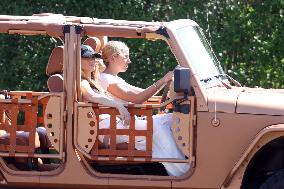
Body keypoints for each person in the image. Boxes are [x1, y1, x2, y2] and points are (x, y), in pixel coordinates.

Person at [80, 44, 189, 176]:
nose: (93, 61)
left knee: (169, 119)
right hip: (108, 126)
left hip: (117, 121)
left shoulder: (95, 80)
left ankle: (182, 167)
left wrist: (165, 83)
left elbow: (142, 93)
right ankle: (183, 173)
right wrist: (118, 106)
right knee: (160, 126)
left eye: (94, 58)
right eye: (87, 58)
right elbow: (137, 98)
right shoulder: (87, 81)